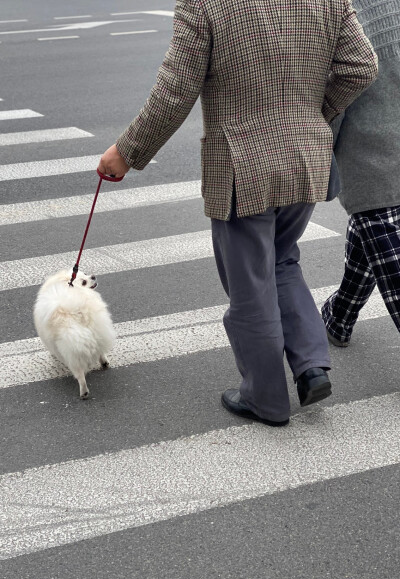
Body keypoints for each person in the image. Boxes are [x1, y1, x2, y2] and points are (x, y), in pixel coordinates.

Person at [98, 0, 377, 427]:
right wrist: (312, 115)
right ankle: (310, 364)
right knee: (282, 258)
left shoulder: (205, 4)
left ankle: (265, 398)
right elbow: (361, 67)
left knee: (249, 286)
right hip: (305, 155)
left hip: (242, 162)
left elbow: (175, 91)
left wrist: (126, 151)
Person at [322, 0, 400, 348]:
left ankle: (339, 317)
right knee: (370, 228)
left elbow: (339, 83)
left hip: (369, 156)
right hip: (380, 157)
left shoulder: (337, 10)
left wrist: (320, 142)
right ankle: (339, 317)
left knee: (375, 221)